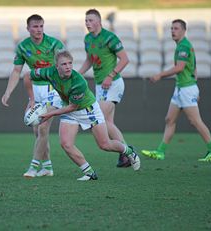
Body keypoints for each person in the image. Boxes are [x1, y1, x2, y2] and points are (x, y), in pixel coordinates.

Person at [24, 50, 140, 181]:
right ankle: (90, 173)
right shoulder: (49, 72)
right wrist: (32, 99)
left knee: (105, 145)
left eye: (70, 63)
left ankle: (129, 151)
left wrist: (49, 114)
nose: (68, 66)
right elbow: (27, 76)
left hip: (88, 110)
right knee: (66, 144)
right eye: (64, 64)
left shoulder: (78, 81)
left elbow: (73, 106)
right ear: (57, 66)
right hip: (70, 111)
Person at [141, 19, 211, 162]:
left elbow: (179, 68)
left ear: (184, 31)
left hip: (186, 89)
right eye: (172, 28)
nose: (173, 31)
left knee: (195, 121)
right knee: (170, 119)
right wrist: (195, 90)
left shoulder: (184, 46)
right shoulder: (183, 46)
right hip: (182, 88)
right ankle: (160, 152)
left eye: (176, 28)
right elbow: (194, 69)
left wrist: (160, 75)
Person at [1, 14, 64, 178]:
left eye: (41, 26)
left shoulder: (54, 44)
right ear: (28, 28)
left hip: (53, 89)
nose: (39, 30)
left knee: (43, 127)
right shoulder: (23, 47)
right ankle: (48, 167)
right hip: (36, 91)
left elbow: (65, 66)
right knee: (37, 131)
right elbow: (17, 71)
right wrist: (8, 92)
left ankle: (33, 167)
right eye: (35, 27)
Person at [78, 9, 131, 168]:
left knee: (98, 116)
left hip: (113, 83)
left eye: (91, 20)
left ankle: (127, 152)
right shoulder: (87, 39)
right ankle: (126, 155)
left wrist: (110, 75)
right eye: (86, 20)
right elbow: (90, 60)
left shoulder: (110, 37)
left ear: (99, 21)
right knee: (108, 123)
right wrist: (78, 75)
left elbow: (125, 59)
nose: (88, 23)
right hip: (100, 85)